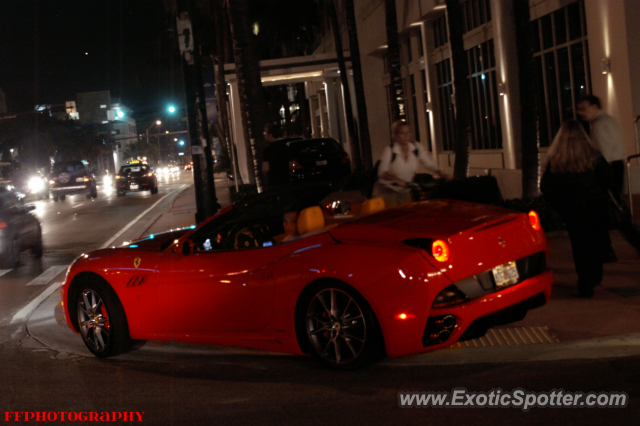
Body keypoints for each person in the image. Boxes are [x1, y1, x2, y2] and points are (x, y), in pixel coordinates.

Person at [540, 120, 613, 298]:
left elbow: (545, 187)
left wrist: (561, 207)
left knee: (579, 247)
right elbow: (607, 180)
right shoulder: (593, 156)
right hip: (595, 208)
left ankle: (585, 283)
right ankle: (595, 277)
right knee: (595, 243)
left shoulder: (556, 160)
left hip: (572, 211)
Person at [373, 120, 444, 207]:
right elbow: (381, 173)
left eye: (407, 132)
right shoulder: (390, 150)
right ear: (395, 136)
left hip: (405, 191)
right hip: (388, 191)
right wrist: (397, 180)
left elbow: (428, 163)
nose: (406, 136)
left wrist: (441, 173)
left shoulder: (416, 148)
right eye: (402, 133)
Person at [577, 95, 625, 193]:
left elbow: (603, 151)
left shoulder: (599, 124)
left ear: (595, 107)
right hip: (617, 165)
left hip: (608, 167)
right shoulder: (609, 120)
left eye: (583, 109)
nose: (580, 112)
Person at [261, 124, 288, 188]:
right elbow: (290, 164)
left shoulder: (267, 150)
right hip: (285, 181)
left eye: (265, 132)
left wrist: (268, 176)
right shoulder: (284, 147)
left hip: (273, 183)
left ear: (270, 134)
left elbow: (266, 169)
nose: (264, 134)